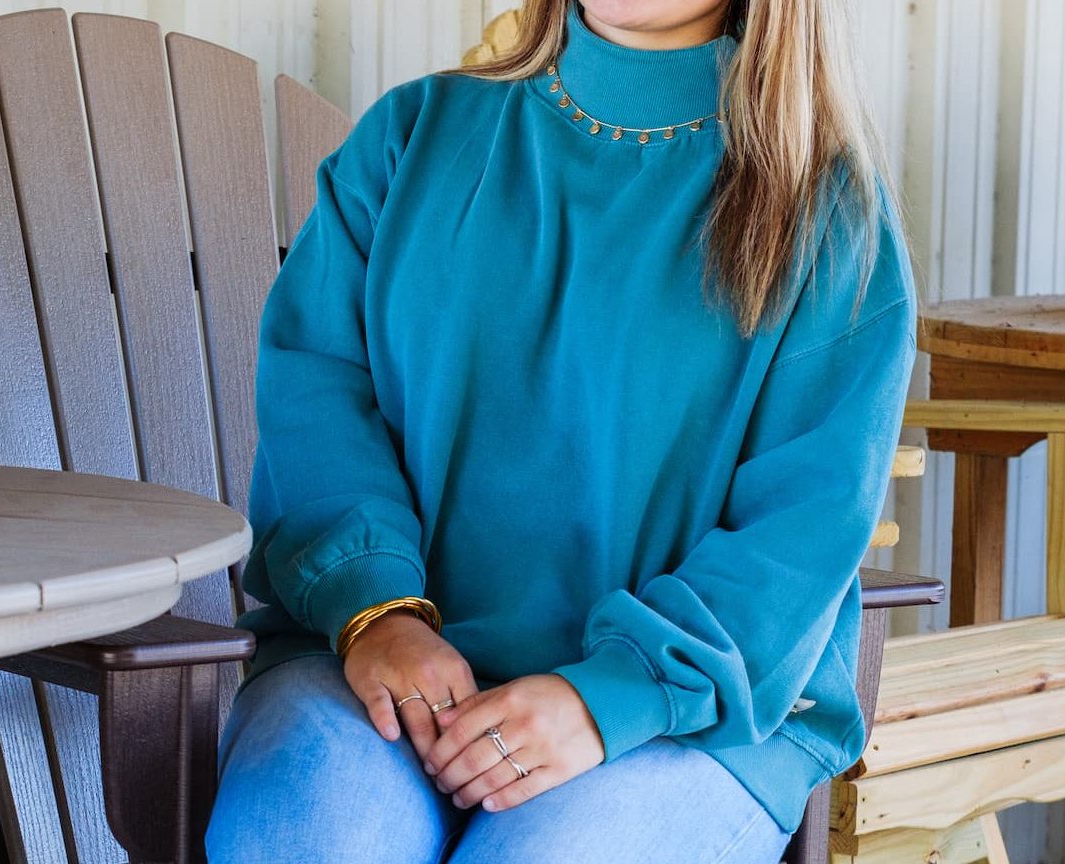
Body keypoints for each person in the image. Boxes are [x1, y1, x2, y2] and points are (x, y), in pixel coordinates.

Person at [206, 0, 917, 860]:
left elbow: (801, 527)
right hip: (378, 672)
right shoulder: (409, 139)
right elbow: (317, 393)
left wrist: (606, 698)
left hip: (684, 719)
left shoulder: (829, 215)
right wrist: (379, 615)